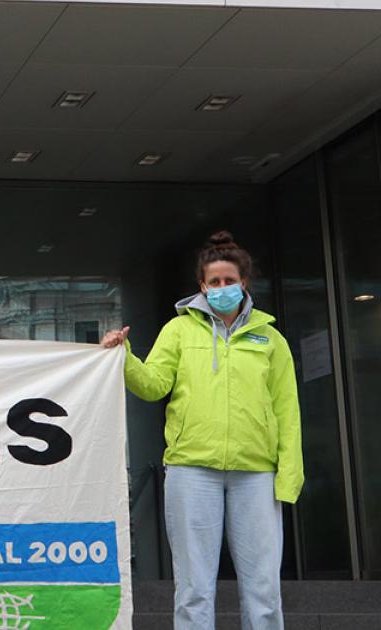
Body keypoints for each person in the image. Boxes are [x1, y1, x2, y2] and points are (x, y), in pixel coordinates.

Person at [102, 231, 302, 630]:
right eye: (215, 281)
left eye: (230, 280)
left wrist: (289, 476)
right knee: (194, 590)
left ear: (244, 282)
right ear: (202, 286)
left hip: (256, 473)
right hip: (192, 470)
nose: (222, 287)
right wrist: (123, 357)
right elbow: (154, 384)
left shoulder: (271, 339)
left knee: (264, 590)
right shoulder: (179, 331)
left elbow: (287, 411)